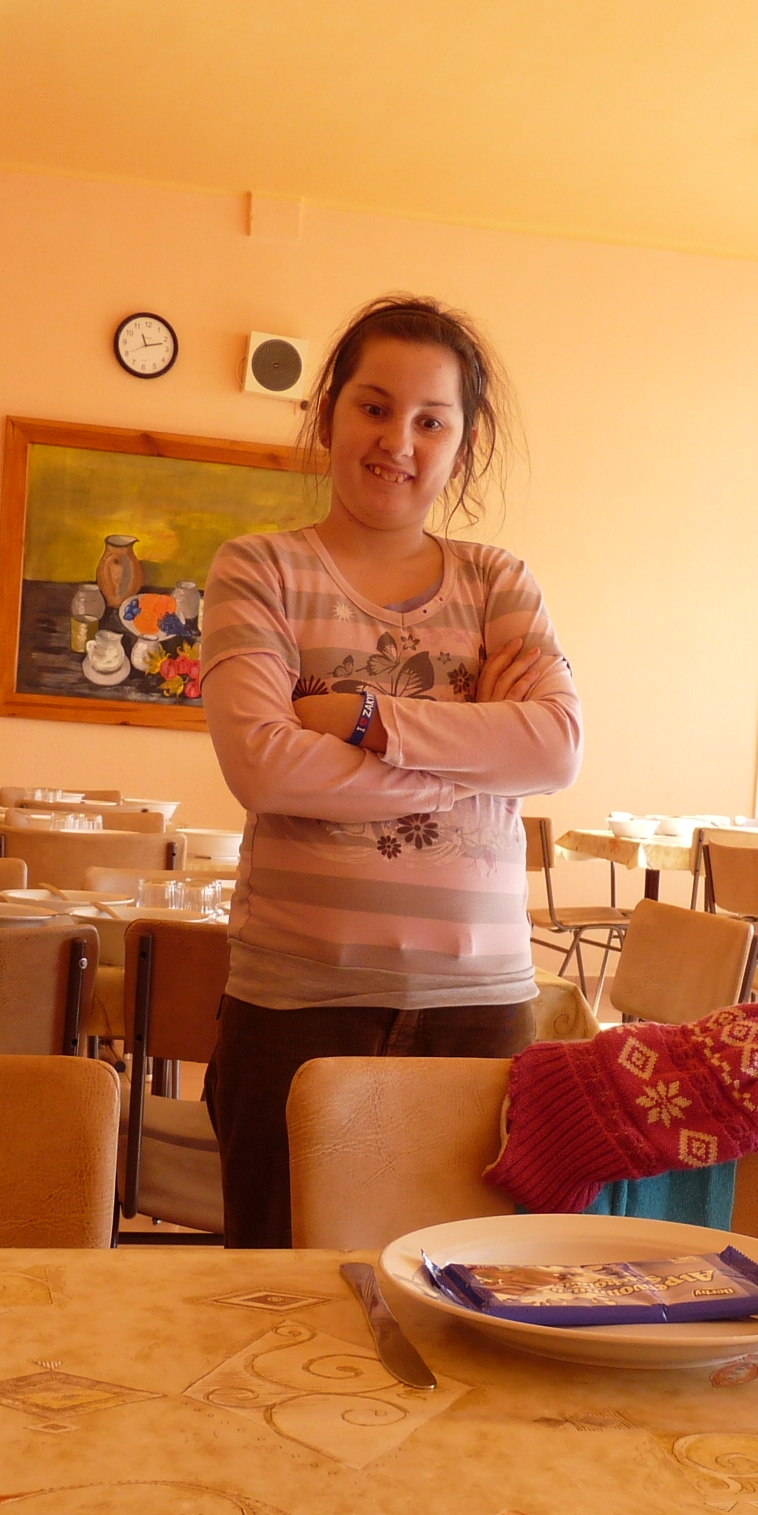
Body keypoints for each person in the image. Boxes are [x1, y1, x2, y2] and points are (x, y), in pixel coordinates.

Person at [199, 295, 583, 1248]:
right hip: (294, 1006)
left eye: (430, 421)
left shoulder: (499, 582)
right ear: (328, 411)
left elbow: (554, 747)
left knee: (470, 1292)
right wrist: (473, 758)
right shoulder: (259, 570)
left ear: (464, 442)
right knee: (275, 1295)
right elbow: (264, 767)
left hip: (481, 1009)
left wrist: (369, 719)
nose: (397, 441)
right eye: (374, 407)